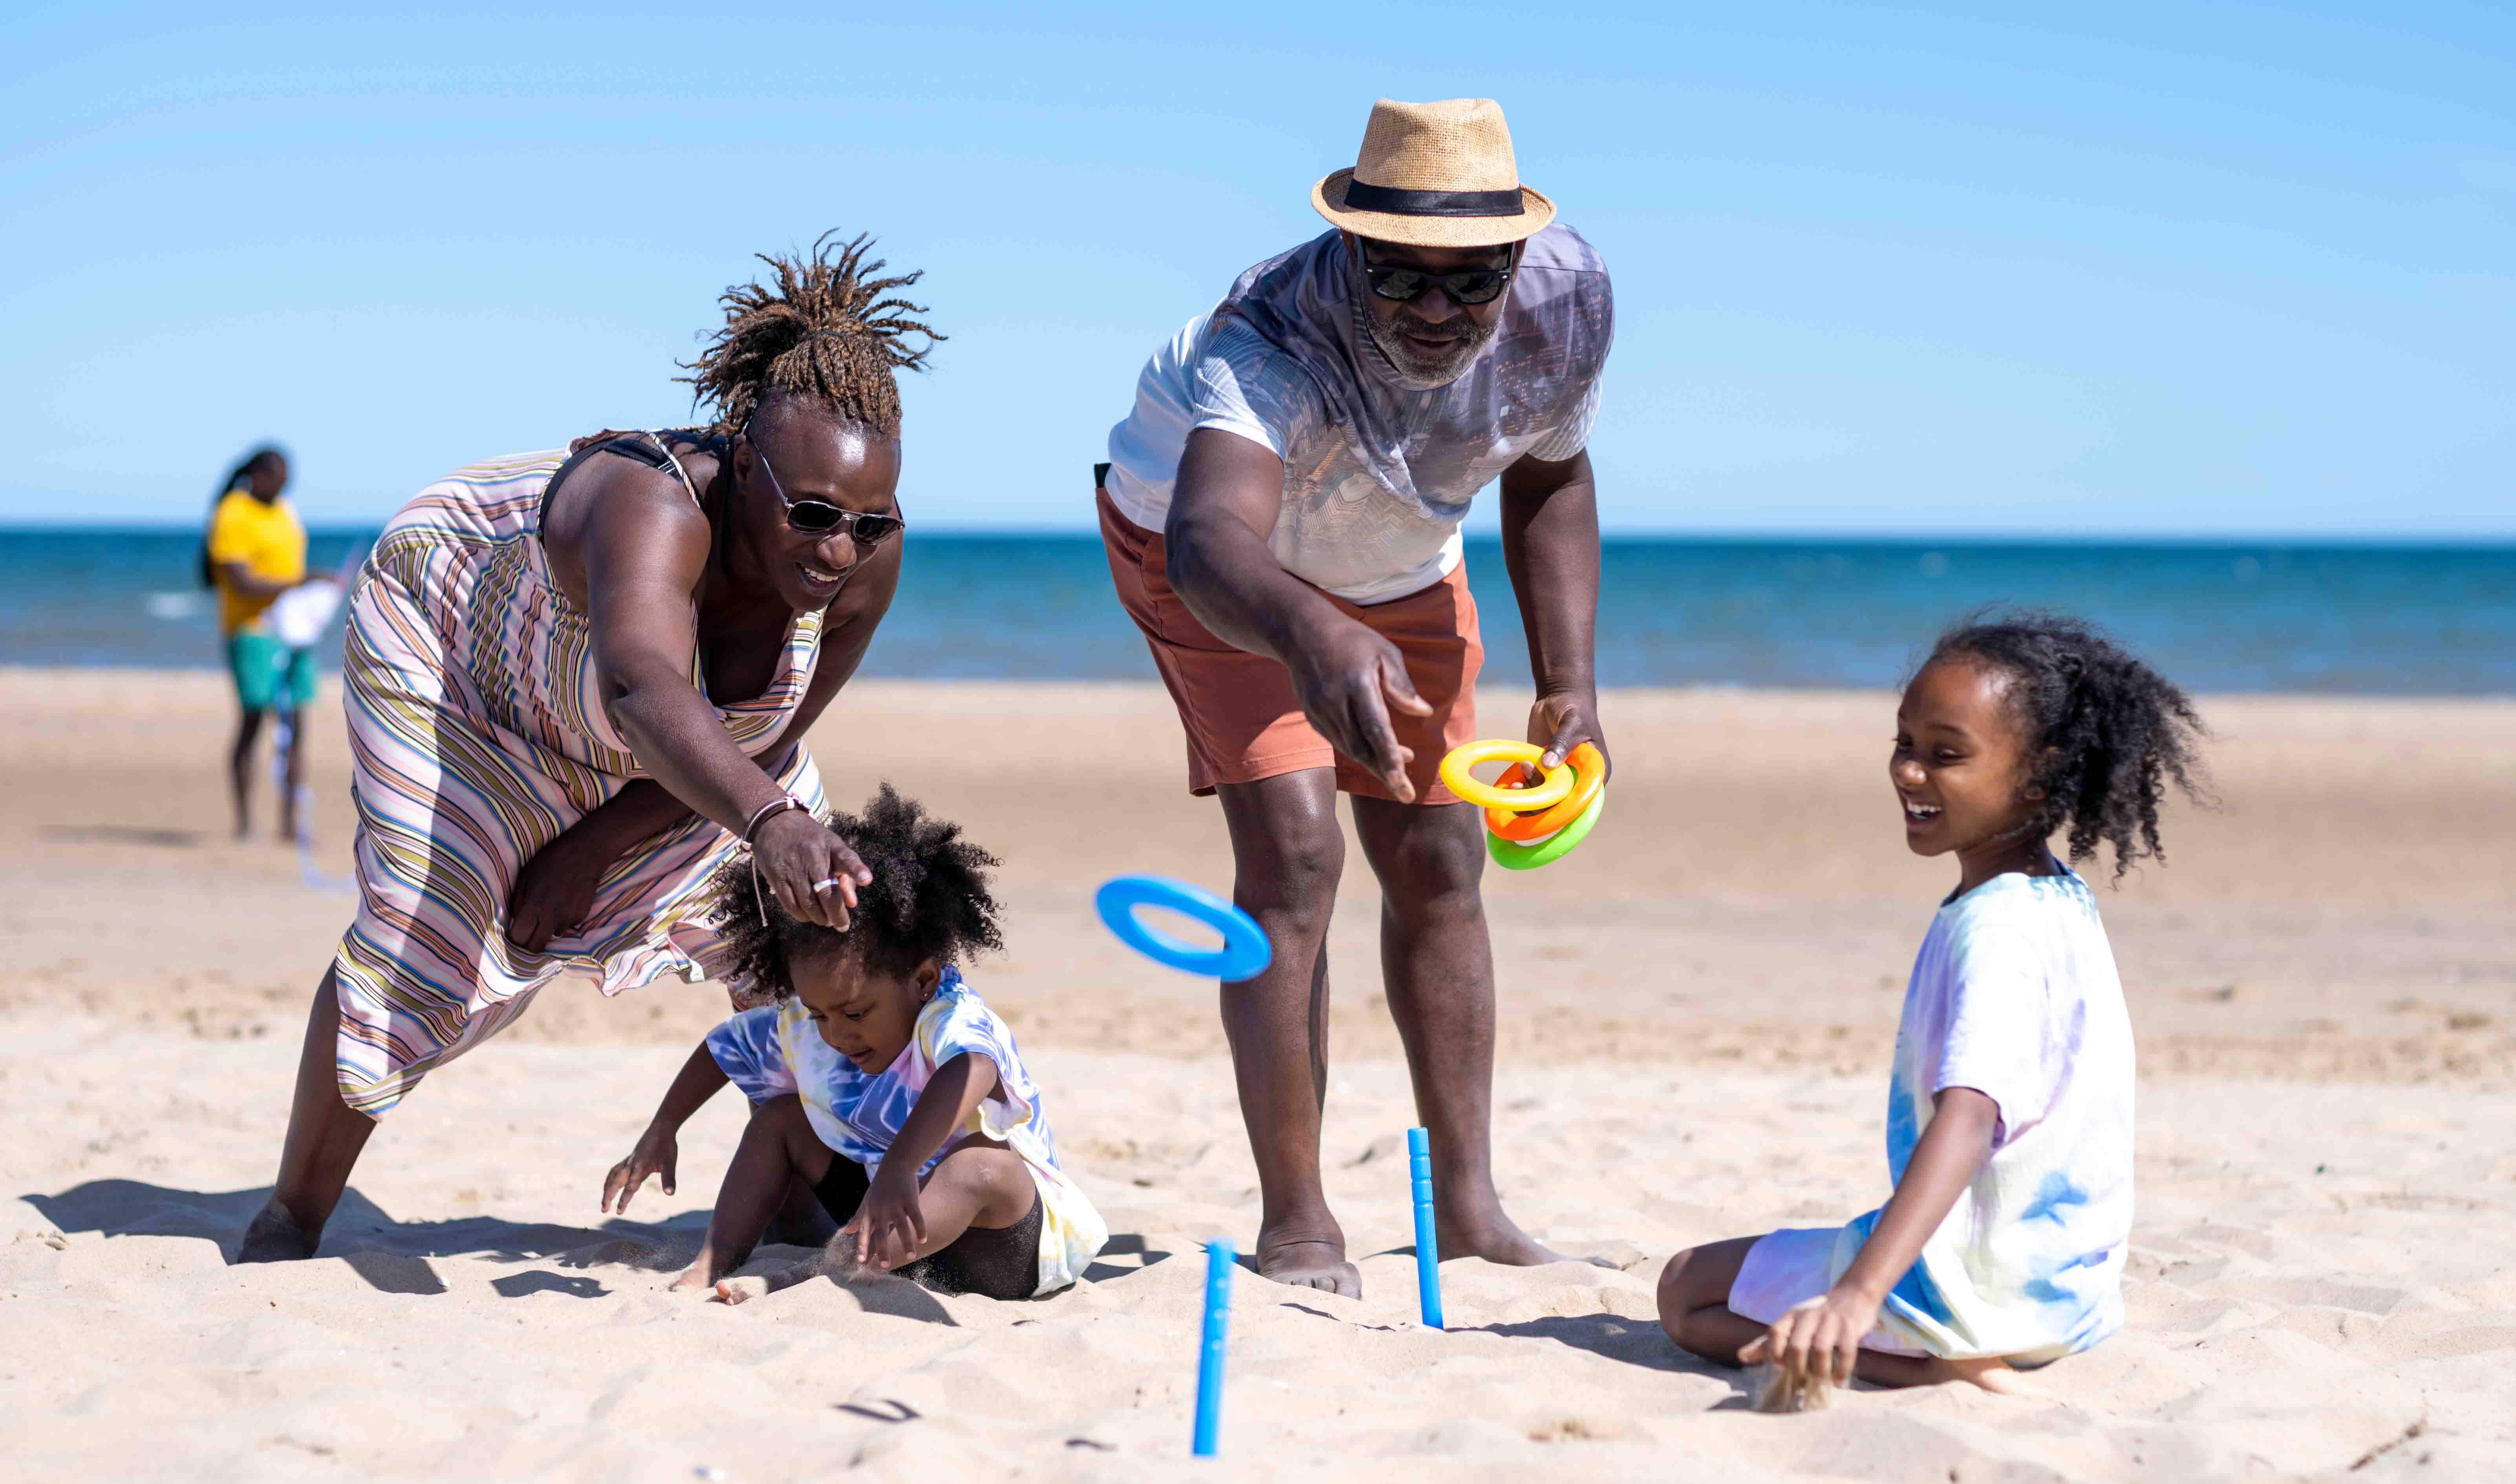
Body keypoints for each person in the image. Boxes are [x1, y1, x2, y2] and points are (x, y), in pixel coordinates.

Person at [238, 234, 941, 1263]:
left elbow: (766, 731)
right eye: (813, 513)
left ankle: (791, 1176)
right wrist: (764, 815)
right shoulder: (651, 501)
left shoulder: (867, 560)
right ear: (745, 460)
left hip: (635, 731)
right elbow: (642, 684)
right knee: (428, 925)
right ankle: (291, 1215)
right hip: (455, 662)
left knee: (798, 909)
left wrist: (600, 843)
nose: (839, 549)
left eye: (869, 522)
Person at [1096, 98, 1614, 1294]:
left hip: (1398, 562)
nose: (1436, 313)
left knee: (1438, 859)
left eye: (1468, 284)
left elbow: (1552, 474)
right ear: (1349, 247)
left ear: (1514, 261)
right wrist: (1311, 630)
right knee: (1296, 854)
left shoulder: (1566, 300)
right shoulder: (1265, 337)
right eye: (1400, 281)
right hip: (1220, 566)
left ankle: (1471, 1207)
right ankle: (1299, 1224)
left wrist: (1569, 683)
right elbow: (1210, 541)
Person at [1656, 614, 2209, 1396]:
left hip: (1976, 1293)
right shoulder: (2059, 898)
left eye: (1946, 755)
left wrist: (1858, 1293)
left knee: (1685, 1291)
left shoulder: (1996, 932)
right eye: (1904, 745)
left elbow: (1970, 1114)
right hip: (2068, 1292)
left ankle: (1934, 1366)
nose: (1911, 773)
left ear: (2039, 779)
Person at [603, 787, 1107, 1301]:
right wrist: (665, 1126)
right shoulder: (812, 1017)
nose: (836, 1033)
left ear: (924, 980)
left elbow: (974, 1068)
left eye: (856, 1013)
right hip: (887, 1220)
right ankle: (713, 1261)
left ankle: (810, 1275)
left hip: (999, 1251)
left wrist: (902, 1165)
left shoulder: (950, 1016)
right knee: (781, 1117)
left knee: (984, 1165)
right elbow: (725, 1049)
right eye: (821, 1014)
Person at [202, 446, 329, 841]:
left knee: (295, 725)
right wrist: (301, 582)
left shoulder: (286, 511)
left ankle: (290, 826)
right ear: (258, 475)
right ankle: (244, 823)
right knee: (254, 721)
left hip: (294, 631)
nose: (284, 484)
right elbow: (240, 580)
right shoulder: (233, 512)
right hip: (252, 630)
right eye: (278, 476)